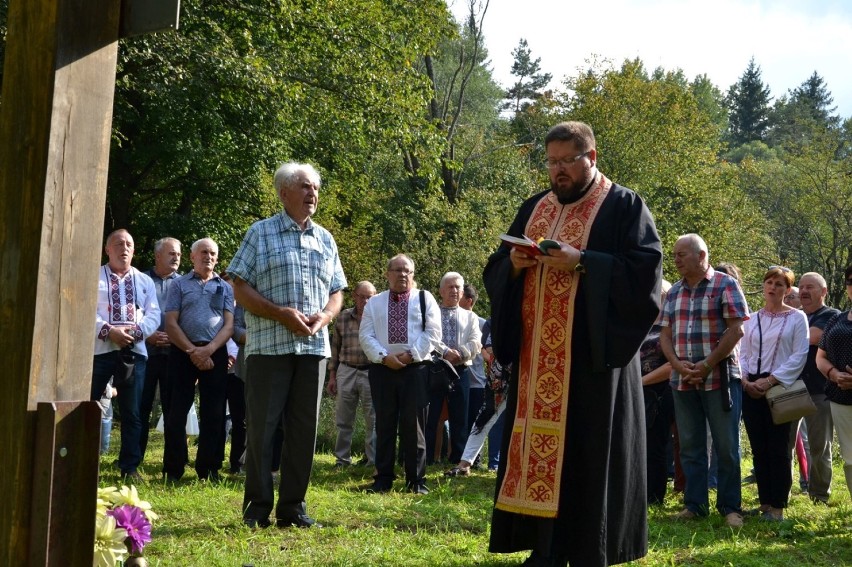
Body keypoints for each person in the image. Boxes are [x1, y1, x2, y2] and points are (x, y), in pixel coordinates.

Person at [484, 121, 662, 567]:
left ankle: (585, 550)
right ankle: (544, 548)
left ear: (592, 158)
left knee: (584, 458)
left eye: (567, 161)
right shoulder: (534, 207)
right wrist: (515, 264)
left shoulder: (624, 206)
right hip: (535, 363)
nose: (558, 171)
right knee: (538, 458)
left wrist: (582, 261)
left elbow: (645, 279)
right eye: (552, 162)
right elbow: (495, 268)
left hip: (590, 365)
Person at [228, 162, 346, 529]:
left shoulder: (325, 239)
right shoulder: (259, 233)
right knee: (262, 429)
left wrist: (325, 317)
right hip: (268, 349)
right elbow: (239, 285)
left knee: (302, 433)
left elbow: (337, 291)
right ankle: (257, 509)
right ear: (284, 193)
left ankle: (293, 508)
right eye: (306, 187)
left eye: (316, 188)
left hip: (313, 351)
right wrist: (281, 314)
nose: (313, 194)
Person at [660, 234, 748, 528]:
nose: (676, 260)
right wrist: (677, 365)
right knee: (689, 446)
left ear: (701, 255)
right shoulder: (673, 293)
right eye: (674, 255)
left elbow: (736, 331)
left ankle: (730, 508)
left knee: (726, 447)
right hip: (682, 380)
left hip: (720, 379)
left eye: (681, 254)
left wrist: (707, 364)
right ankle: (695, 505)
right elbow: (664, 335)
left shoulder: (726, 284)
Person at [359, 254, 441, 494]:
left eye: (407, 271)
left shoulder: (425, 299)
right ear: (387, 274)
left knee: (413, 425)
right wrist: (385, 357)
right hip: (382, 370)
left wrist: (409, 356)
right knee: (384, 424)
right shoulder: (374, 303)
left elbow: (433, 334)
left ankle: (416, 481)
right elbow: (366, 335)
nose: (402, 275)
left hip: (415, 370)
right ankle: (383, 479)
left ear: (413, 275)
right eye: (397, 270)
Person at [739, 267, 809, 521]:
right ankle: (765, 503)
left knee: (779, 447)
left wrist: (770, 381)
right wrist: (746, 380)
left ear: (788, 290)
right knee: (759, 448)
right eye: (769, 282)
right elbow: (742, 352)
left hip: (781, 386)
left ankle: (778, 506)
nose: (773, 287)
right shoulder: (751, 318)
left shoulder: (797, 318)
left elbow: (799, 355)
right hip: (751, 388)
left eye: (779, 284)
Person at [162, 238, 234, 482]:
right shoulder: (179, 285)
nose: (209, 257)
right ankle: (173, 469)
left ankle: (209, 468)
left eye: (213, 253)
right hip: (183, 353)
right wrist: (192, 351)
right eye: (204, 252)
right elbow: (171, 323)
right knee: (176, 413)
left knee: (214, 413)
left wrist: (209, 349)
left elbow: (229, 325)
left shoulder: (225, 288)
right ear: (192, 256)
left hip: (215, 353)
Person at [92, 229, 161, 480]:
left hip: (134, 352)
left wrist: (135, 332)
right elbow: (85, 309)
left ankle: (129, 468)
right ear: (107, 249)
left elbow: (154, 314)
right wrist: (109, 331)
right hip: (99, 352)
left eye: (129, 244)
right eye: (118, 244)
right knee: (88, 407)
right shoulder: (94, 277)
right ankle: (85, 460)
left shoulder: (144, 281)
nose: (124, 248)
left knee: (132, 412)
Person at [425, 272, 482, 464]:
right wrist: (445, 352)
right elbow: (429, 338)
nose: (455, 290)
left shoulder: (470, 316)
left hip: (460, 370)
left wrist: (461, 353)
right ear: (441, 291)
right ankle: (427, 458)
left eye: (458, 287)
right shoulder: (431, 314)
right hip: (435, 369)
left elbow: (476, 342)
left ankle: (458, 459)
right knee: (431, 417)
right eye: (450, 287)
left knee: (460, 418)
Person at [796, 272, 839, 503]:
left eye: (810, 287)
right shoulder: (797, 316)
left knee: (819, 446)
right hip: (791, 390)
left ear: (823, 292)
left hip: (820, 390)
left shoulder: (831, 316)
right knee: (784, 445)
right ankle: (781, 492)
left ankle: (819, 495)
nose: (803, 291)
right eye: (801, 287)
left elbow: (814, 337)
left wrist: (786, 335)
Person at [140, 236, 182, 462]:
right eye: (171, 253)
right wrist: (149, 335)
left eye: (178, 254)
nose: (176, 257)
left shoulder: (185, 282)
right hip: (145, 353)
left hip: (174, 355)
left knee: (172, 411)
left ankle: (174, 461)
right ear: (157, 256)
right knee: (140, 408)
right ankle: (133, 460)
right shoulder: (141, 279)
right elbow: (134, 312)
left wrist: (176, 339)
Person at [327, 281, 378, 467]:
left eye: (369, 297)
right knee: (343, 419)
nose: (365, 300)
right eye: (361, 296)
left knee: (372, 419)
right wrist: (332, 376)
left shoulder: (378, 318)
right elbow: (335, 348)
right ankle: (342, 459)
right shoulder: (343, 317)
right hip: (346, 370)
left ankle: (372, 460)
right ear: (354, 296)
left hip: (371, 372)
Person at [815, 264, 852, 498]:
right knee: (850, 458)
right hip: (841, 398)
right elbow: (821, 357)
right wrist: (834, 374)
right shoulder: (837, 320)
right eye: (850, 281)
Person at [641, 279, 675, 505]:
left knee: (655, 445)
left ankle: (654, 497)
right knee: (638, 444)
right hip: (639, 392)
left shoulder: (670, 327)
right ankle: (639, 493)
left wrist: (640, 382)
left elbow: (673, 366)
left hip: (661, 393)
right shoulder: (638, 324)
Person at [459, 283, 488, 466]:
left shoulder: (482, 324)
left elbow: (488, 354)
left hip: (477, 383)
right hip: (458, 380)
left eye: (460, 295)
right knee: (459, 422)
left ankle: (474, 460)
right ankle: (457, 455)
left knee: (475, 423)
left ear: (469, 301)